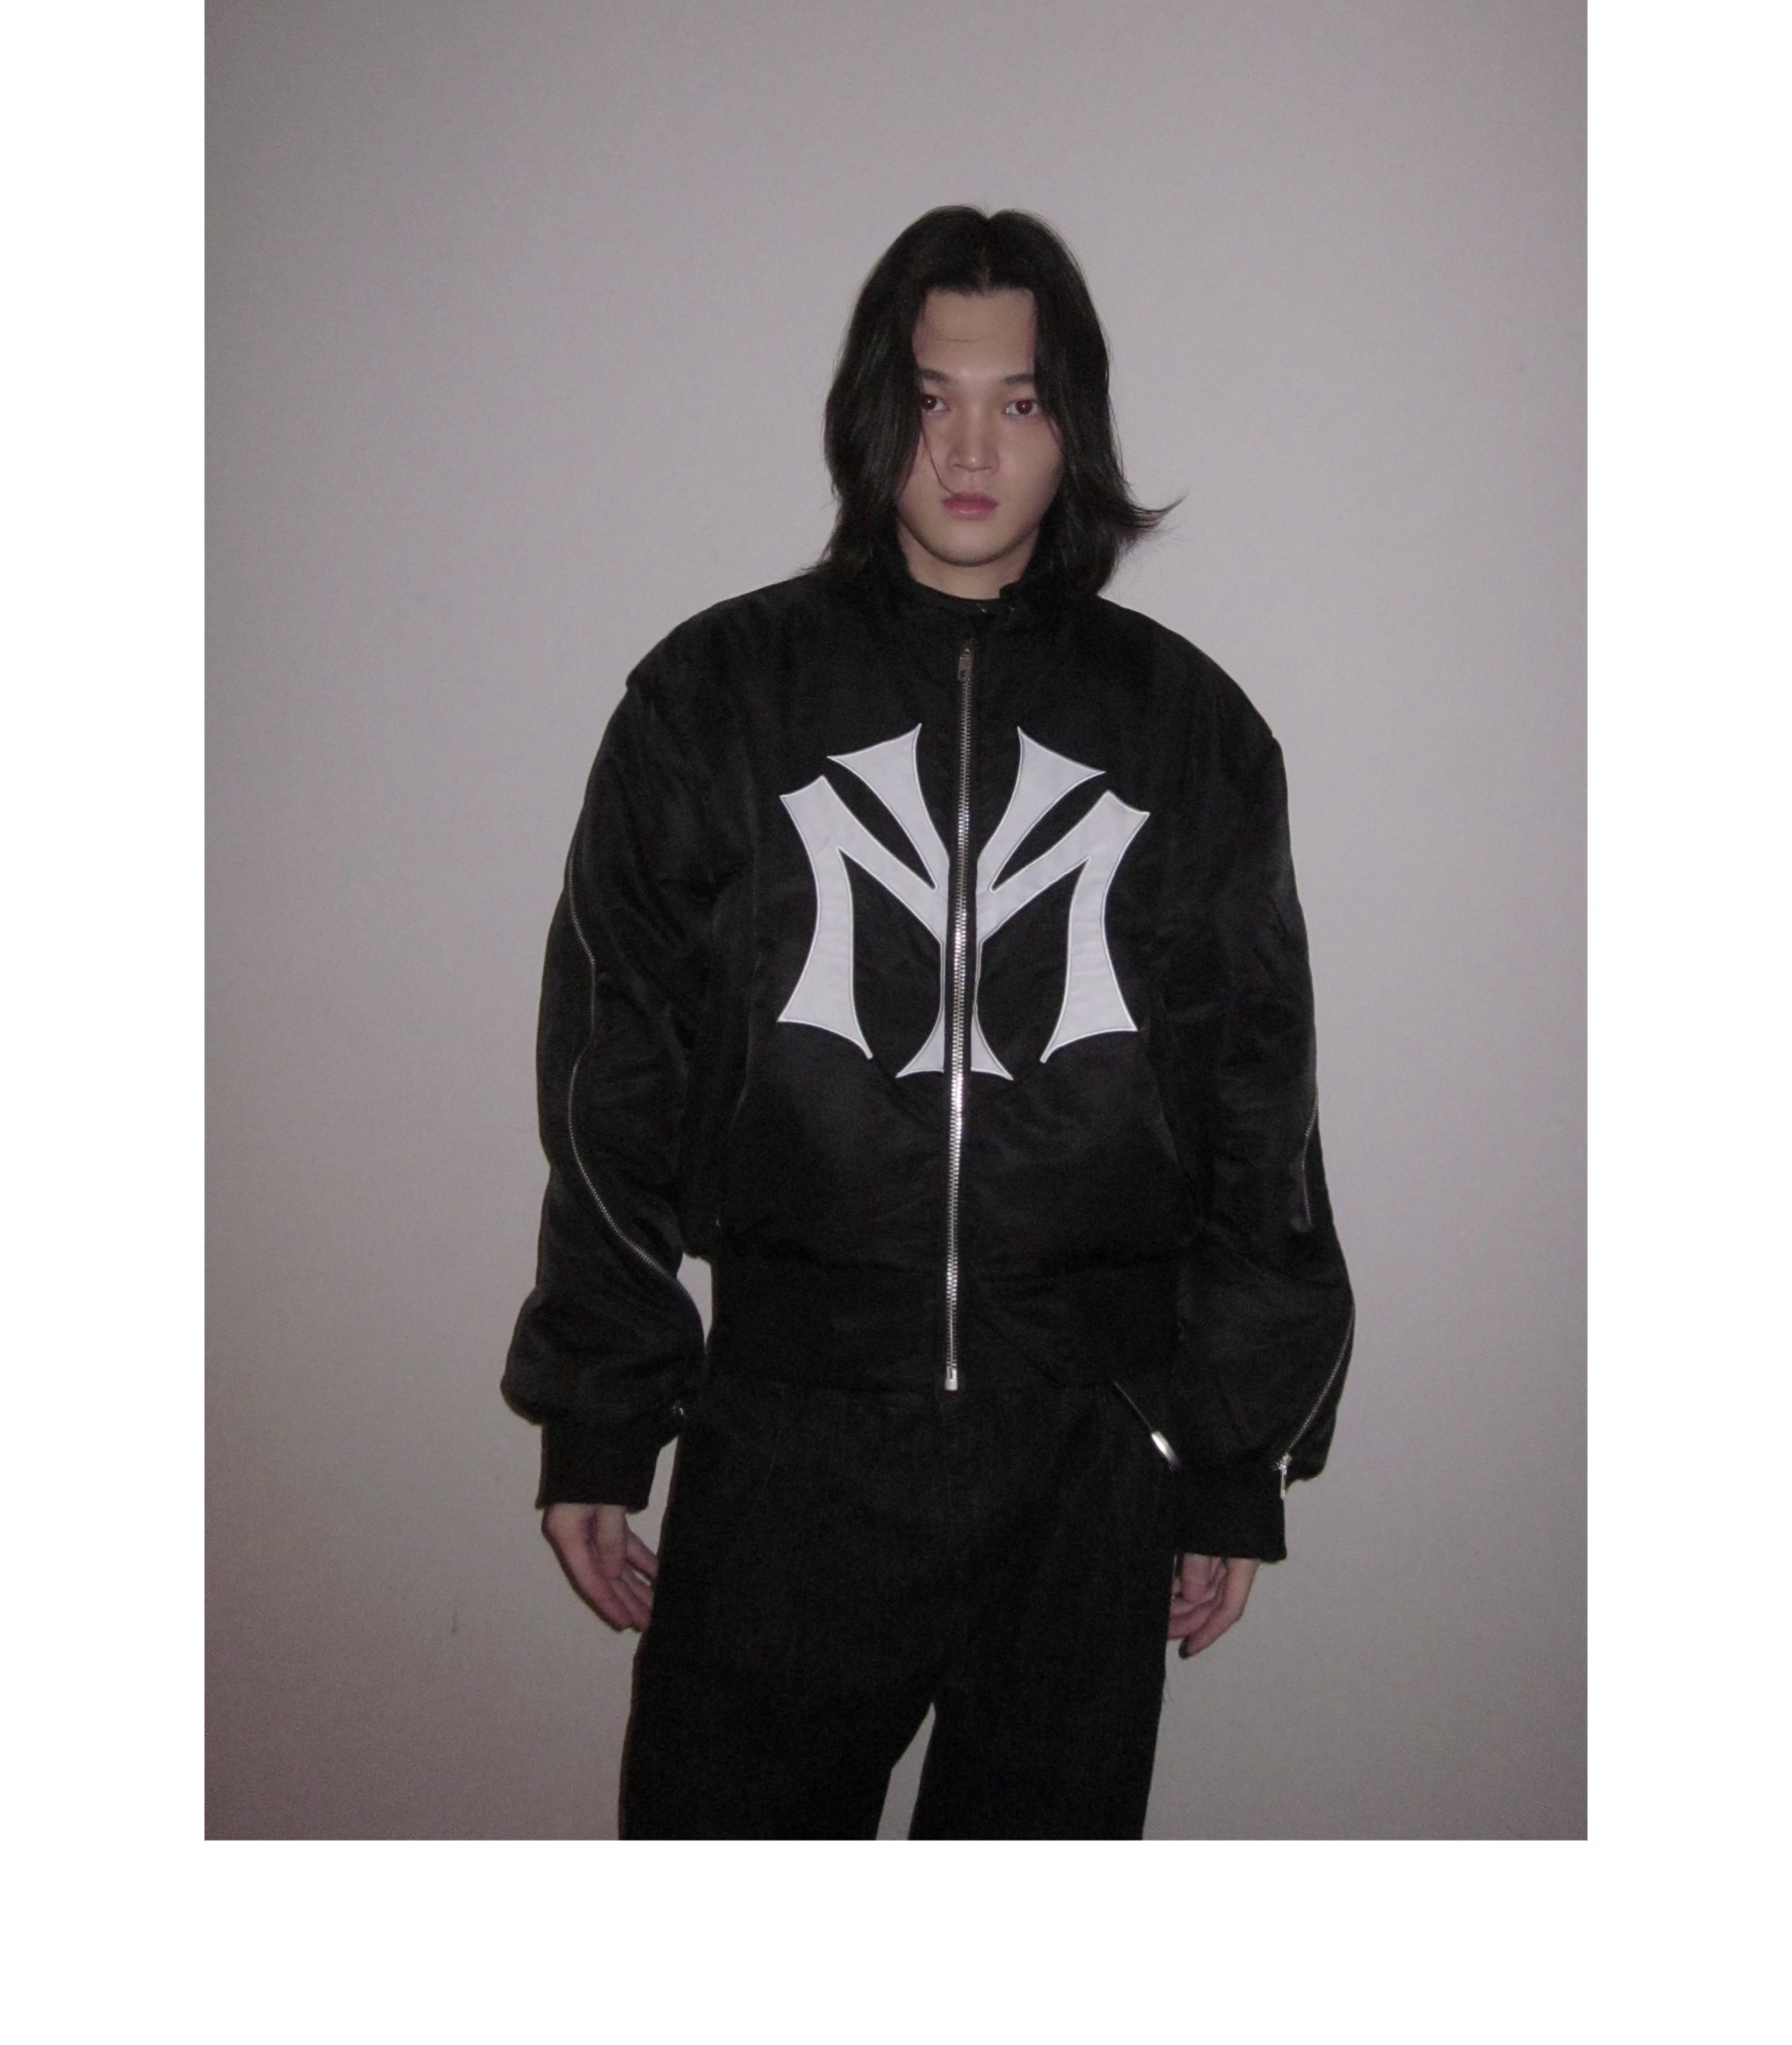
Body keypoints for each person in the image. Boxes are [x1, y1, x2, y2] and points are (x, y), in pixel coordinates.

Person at [501, 206, 1354, 1838]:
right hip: (789, 1438)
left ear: (1071, 423)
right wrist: (601, 1409)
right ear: (867, 411)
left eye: (1016, 401)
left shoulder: (1187, 730)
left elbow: (1261, 1102)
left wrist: (1230, 1448)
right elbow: (612, 1068)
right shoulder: (714, 697)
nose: (968, 449)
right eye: (928, 396)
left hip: (1086, 1451)